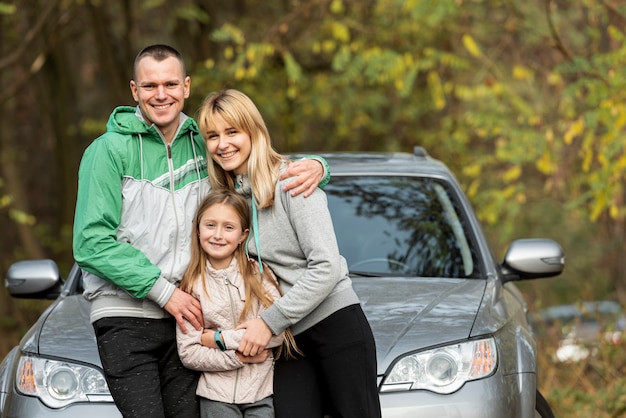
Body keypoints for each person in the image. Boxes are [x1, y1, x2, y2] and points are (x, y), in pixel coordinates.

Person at [72, 44, 327, 418]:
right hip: (127, 315)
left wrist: (320, 167)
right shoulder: (107, 151)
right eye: (150, 86)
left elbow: (258, 169)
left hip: (192, 318)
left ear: (186, 86)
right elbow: (90, 243)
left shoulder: (204, 144)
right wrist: (165, 293)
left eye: (171, 84)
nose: (161, 94)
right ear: (134, 90)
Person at [196, 88, 382, 418]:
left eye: (232, 132)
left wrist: (268, 322)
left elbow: (326, 266)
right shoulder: (231, 199)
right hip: (290, 342)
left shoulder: (292, 181)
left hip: (335, 327)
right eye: (212, 136)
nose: (222, 144)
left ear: (253, 130)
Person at [176, 189, 299, 418]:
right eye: (210, 225)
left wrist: (214, 338)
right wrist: (237, 356)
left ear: (243, 235)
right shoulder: (191, 284)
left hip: (261, 395)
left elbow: (278, 332)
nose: (218, 235)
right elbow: (189, 353)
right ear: (198, 229)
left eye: (229, 227)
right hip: (215, 397)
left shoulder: (259, 274)